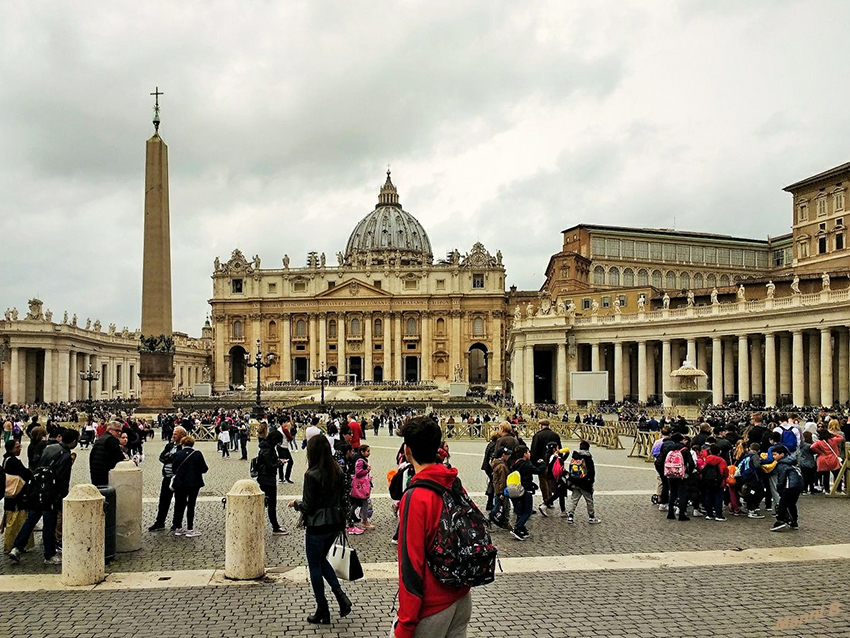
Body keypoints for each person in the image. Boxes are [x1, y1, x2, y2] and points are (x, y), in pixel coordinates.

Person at [395, 415, 471, 638]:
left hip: (432, 607)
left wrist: (406, 624)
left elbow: (410, 565)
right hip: (461, 598)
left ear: (407, 451)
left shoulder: (415, 496)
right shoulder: (452, 481)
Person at [288, 435, 351, 625]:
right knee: (321, 561)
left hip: (317, 525)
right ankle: (340, 595)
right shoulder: (338, 471)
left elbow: (308, 505)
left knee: (314, 565)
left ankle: (322, 607)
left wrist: (295, 504)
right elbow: (343, 499)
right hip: (334, 523)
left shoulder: (311, 474)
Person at [9, 429, 79, 565]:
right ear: (74, 441)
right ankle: (49, 554)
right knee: (49, 523)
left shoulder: (50, 448)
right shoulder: (65, 455)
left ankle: (17, 548)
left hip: (37, 489)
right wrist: (61, 499)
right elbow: (63, 480)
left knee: (31, 520)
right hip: (50, 493)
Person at [148, 426, 186, 532]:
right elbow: (161, 457)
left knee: (180, 502)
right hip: (167, 477)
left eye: (176, 434)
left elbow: (179, 460)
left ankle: (177, 523)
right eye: (173, 433)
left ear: (182, 435)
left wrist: (171, 457)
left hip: (178, 479)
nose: (173, 435)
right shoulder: (169, 445)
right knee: (163, 501)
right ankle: (160, 522)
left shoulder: (184, 447)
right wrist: (170, 457)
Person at [170, 436, 208, 538]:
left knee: (179, 505)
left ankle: (178, 527)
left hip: (180, 483)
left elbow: (173, 469)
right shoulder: (197, 454)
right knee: (191, 505)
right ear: (192, 444)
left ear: (182, 444)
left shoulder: (177, 454)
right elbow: (204, 469)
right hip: (193, 483)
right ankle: (190, 528)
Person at [3, 439, 34, 553]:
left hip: (11, 495)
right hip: (17, 495)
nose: (20, 448)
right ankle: (13, 544)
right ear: (11, 448)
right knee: (17, 520)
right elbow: (25, 474)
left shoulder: (6, 459)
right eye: (17, 447)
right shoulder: (13, 461)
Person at [257, 430, 289, 535]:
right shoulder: (268, 450)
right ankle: (275, 526)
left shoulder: (266, 448)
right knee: (271, 504)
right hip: (267, 479)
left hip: (264, 478)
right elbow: (269, 466)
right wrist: (280, 463)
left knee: (265, 502)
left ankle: (264, 524)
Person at [530, 419, 561, 516]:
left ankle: (546, 500)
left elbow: (534, 450)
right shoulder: (555, 435)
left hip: (542, 462)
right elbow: (559, 449)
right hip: (553, 462)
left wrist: (534, 463)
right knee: (551, 480)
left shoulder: (538, 435)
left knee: (543, 481)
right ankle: (550, 500)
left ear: (540, 425)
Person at [566, 440, 600, 524]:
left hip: (575, 482)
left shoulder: (575, 457)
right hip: (585, 483)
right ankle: (591, 517)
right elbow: (591, 472)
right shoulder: (588, 458)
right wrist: (591, 482)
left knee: (574, 500)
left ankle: (570, 516)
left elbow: (570, 469)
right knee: (589, 500)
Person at [770, 445, 803, 531]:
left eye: (775, 454)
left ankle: (780, 520)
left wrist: (779, 487)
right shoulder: (792, 461)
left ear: (782, 454)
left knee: (782, 503)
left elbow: (782, 477)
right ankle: (794, 521)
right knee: (792, 504)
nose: (774, 457)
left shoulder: (782, 464)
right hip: (798, 485)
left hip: (789, 486)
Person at [89, 421, 125, 486]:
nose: (119, 433)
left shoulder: (101, 438)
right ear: (109, 430)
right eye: (117, 431)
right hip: (105, 474)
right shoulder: (111, 440)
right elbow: (119, 457)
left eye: (120, 431)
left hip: (96, 473)